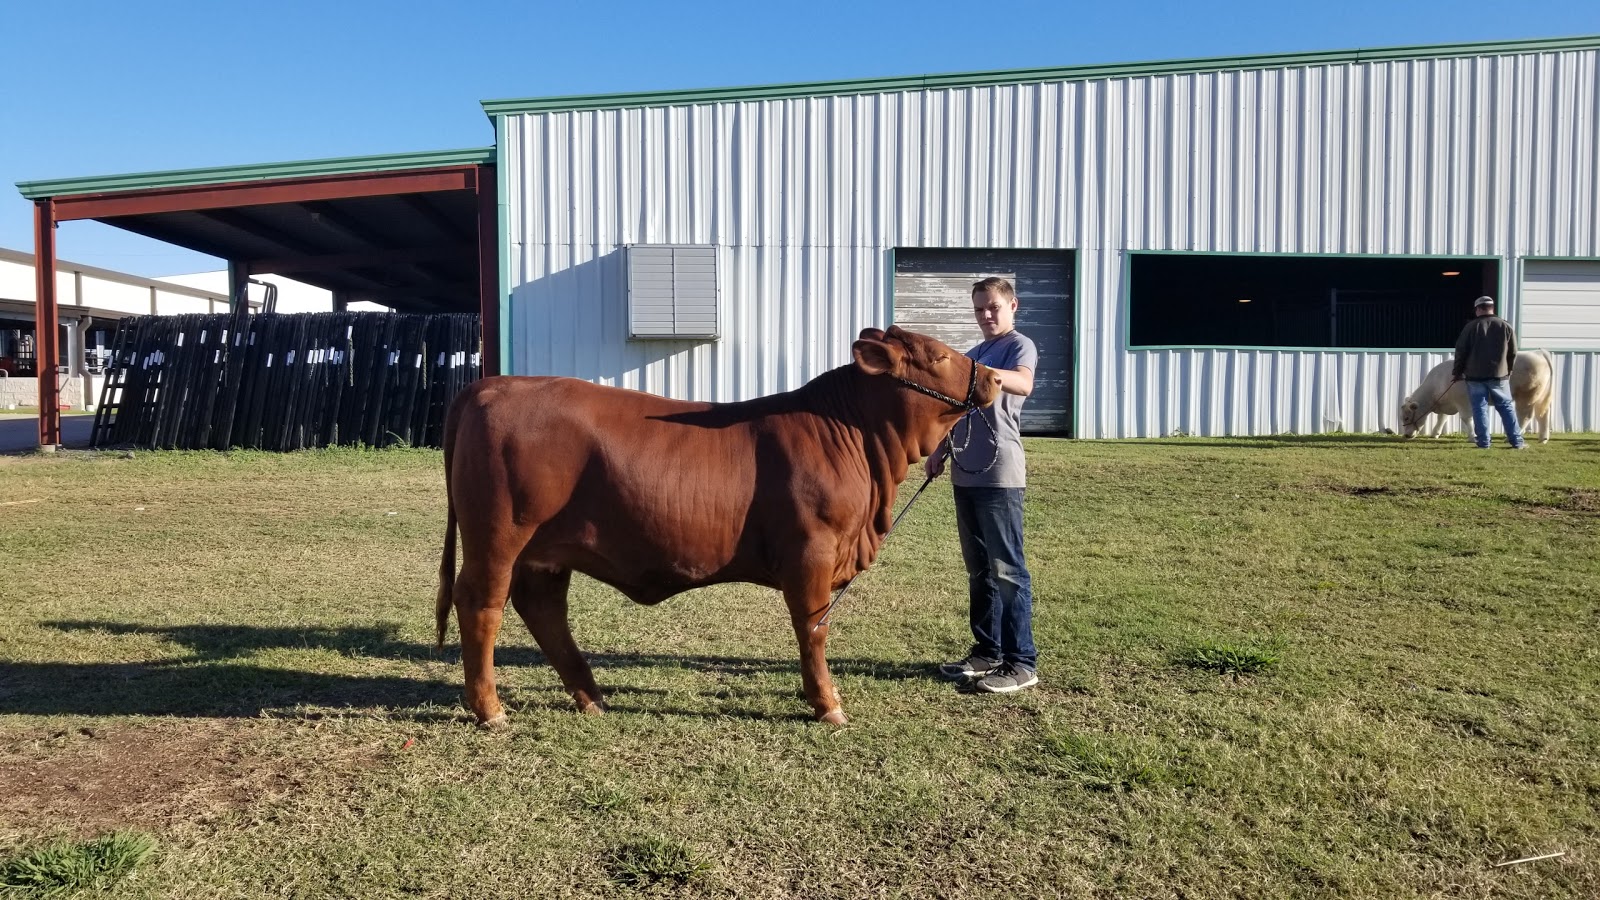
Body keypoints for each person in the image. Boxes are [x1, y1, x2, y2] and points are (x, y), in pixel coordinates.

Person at [926, 276, 1040, 693]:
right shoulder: (973, 353)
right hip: (965, 473)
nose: (987, 315)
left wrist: (979, 371)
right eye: (979, 309)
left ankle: (1022, 662)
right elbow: (954, 410)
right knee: (979, 571)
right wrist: (939, 450)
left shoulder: (1017, 346)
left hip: (1000, 477)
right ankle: (987, 652)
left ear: (1013, 305)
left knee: (1008, 570)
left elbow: (1023, 383)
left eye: (993, 306)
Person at [1452, 296, 1526, 450]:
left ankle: (1484, 443)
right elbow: (1513, 352)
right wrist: (1509, 370)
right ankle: (1517, 442)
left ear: (1478, 309)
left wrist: (1457, 372)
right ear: (1492, 308)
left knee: (1479, 408)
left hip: (1474, 376)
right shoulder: (1505, 326)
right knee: (1506, 407)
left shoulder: (1470, 327)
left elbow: (1461, 352)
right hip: (1499, 375)